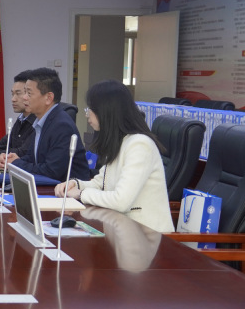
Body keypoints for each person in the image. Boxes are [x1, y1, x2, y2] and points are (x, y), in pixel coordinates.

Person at [55, 80, 174, 233]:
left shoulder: (140, 145)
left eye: (90, 109)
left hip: (147, 235)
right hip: (120, 229)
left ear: (106, 111)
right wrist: (75, 184)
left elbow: (121, 201)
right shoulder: (120, 142)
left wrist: (80, 194)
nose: (86, 114)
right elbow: (101, 183)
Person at [0, 67, 89, 181]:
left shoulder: (61, 125)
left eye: (29, 93)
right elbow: (33, 157)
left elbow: (52, 171)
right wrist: (12, 159)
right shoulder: (41, 121)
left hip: (65, 189)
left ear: (48, 98)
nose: (24, 97)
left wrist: (16, 163)